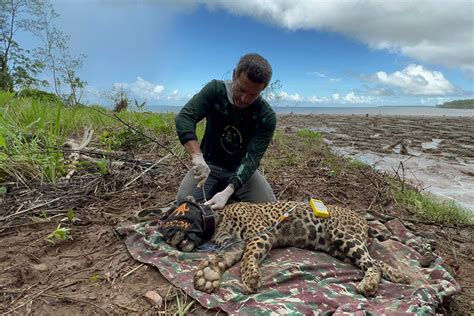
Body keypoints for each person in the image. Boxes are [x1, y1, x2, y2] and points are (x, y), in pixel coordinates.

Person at [175, 53, 277, 210]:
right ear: (234, 75)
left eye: (253, 95)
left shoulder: (266, 115)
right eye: (241, 89)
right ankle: (216, 189)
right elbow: (184, 118)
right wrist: (197, 156)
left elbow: (252, 158)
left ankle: (229, 193)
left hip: (242, 169)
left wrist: (229, 189)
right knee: (184, 203)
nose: (244, 99)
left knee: (269, 207)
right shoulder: (215, 91)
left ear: (263, 88)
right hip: (209, 164)